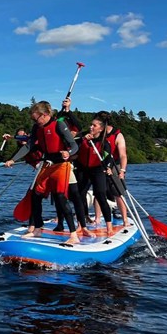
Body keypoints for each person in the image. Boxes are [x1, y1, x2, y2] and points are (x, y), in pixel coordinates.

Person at [4, 101, 81, 245]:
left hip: (61, 164)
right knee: (36, 195)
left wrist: (67, 152)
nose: (34, 121)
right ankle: (38, 228)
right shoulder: (36, 128)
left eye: (35, 118)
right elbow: (29, 145)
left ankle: (73, 234)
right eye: (33, 120)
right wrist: (13, 159)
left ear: (44, 115)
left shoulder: (59, 124)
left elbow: (74, 145)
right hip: (47, 164)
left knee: (60, 198)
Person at [53, 98, 95, 237]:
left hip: (81, 169)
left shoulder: (81, 136)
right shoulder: (59, 136)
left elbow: (77, 126)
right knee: (59, 195)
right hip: (63, 168)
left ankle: (82, 224)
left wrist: (68, 109)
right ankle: (60, 222)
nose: (70, 132)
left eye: (72, 130)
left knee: (78, 196)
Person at [77, 115, 117, 235]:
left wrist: (108, 167)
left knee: (100, 195)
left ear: (100, 129)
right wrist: (83, 139)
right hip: (83, 169)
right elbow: (72, 144)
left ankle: (109, 226)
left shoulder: (104, 142)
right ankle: (80, 224)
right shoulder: (83, 137)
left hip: (98, 170)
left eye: (94, 125)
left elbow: (108, 157)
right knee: (79, 195)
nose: (91, 127)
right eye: (91, 124)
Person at [93, 111, 130, 227]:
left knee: (118, 193)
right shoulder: (98, 134)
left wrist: (122, 171)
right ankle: (97, 219)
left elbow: (123, 155)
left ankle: (125, 220)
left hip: (115, 165)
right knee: (99, 193)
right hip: (100, 166)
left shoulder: (117, 135)